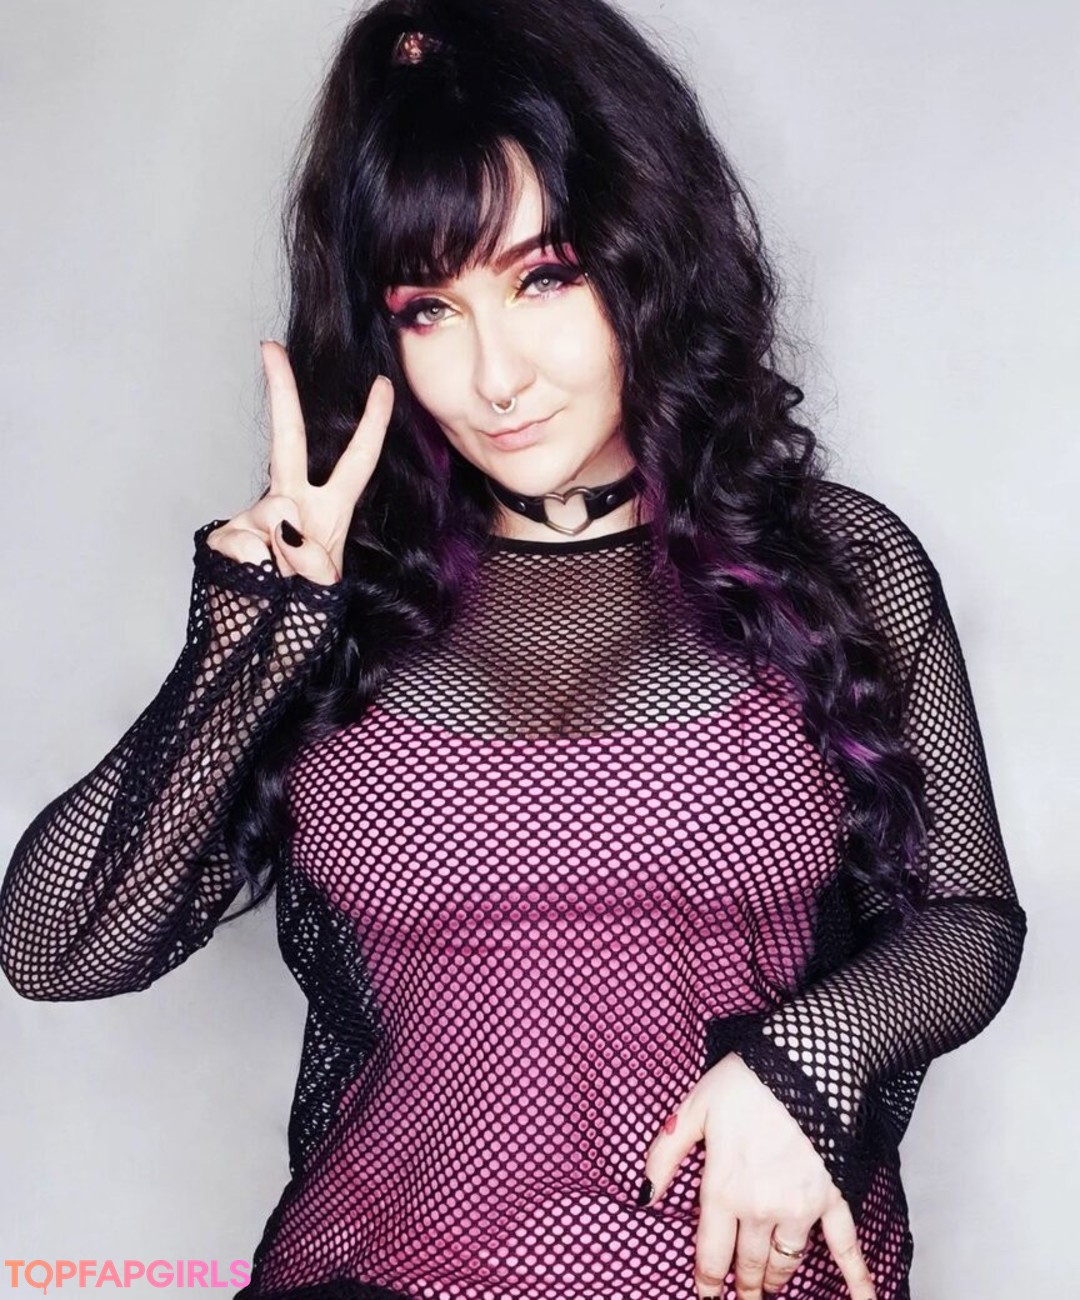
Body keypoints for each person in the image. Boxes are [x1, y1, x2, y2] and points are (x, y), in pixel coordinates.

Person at [0, 1, 1027, 1297]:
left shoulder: (836, 566)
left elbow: (965, 924)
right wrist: (249, 644)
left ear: (650, 257)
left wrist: (808, 1057)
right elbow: (57, 950)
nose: (495, 377)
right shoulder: (346, 601)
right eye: (431, 309)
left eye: (545, 278)